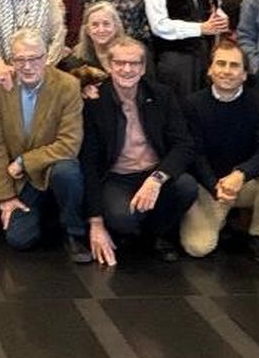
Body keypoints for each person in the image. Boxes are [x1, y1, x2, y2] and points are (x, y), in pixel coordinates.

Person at [78, 37, 198, 265]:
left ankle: (159, 235)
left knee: (186, 186)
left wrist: (157, 178)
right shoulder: (94, 102)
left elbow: (184, 144)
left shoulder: (162, 95)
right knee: (123, 219)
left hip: (154, 173)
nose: (126, 69)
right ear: (109, 66)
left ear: (143, 68)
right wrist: (96, 222)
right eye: (120, 63)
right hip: (116, 178)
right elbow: (89, 162)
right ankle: (135, 229)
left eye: (134, 63)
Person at [178, 42, 259, 264]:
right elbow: (193, 153)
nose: (227, 70)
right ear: (210, 70)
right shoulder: (192, 104)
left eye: (234, 65)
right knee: (198, 248)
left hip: (244, 184)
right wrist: (214, 185)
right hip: (209, 187)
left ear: (245, 74)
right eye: (221, 63)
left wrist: (241, 174)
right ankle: (223, 219)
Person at [0, 29, 87, 261]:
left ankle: (73, 232)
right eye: (20, 60)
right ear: (11, 60)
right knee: (19, 240)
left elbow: (69, 144)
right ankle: (47, 212)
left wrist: (23, 162)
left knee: (67, 170)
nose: (28, 66)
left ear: (46, 57)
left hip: (53, 169)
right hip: (24, 182)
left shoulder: (68, 85)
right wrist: (6, 197)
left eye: (34, 58)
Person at [63, 1, 129, 90]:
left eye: (106, 24)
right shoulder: (73, 63)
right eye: (95, 25)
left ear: (116, 27)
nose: (101, 30)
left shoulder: (133, 54)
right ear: (87, 30)